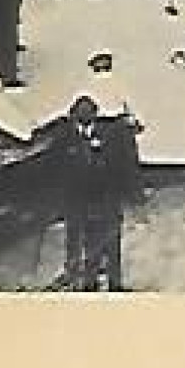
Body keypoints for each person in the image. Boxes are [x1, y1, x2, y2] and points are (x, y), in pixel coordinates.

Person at [56, 71, 142, 292]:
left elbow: (120, 165)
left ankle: (115, 284)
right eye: (81, 115)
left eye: (90, 114)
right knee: (88, 245)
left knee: (112, 244)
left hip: (106, 199)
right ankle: (88, 284)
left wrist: (128, 192)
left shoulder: (109, 135)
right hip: (81, 202)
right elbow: (58, 172)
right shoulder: (64, 138)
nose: (86, 120)